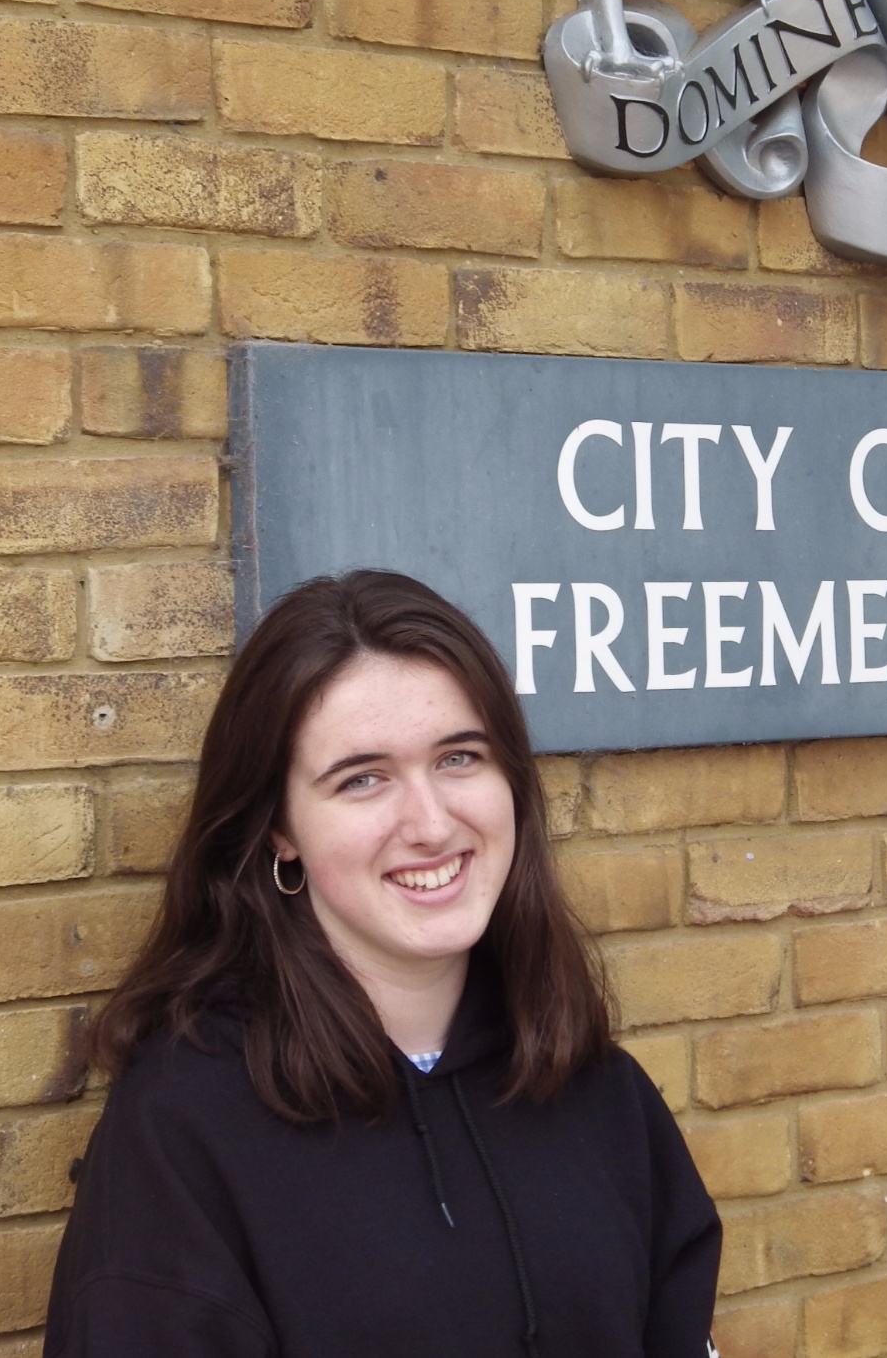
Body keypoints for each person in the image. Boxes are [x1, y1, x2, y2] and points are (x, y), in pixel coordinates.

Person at [44, 570, 722, 1358]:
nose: (431, 824)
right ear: (279, 828)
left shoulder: (599, 1094)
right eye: (362, 779)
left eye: (460, 758)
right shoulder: (185, 1127)